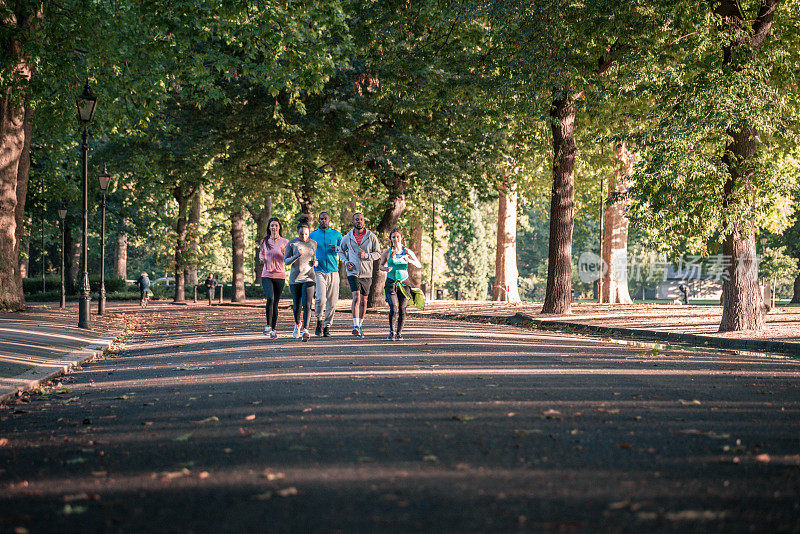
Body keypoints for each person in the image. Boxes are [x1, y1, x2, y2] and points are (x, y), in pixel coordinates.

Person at [338, 212, 382, 338]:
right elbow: (341, 250)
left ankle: (360, 325)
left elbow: (378, 253)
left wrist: (366, 256)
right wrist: (346, 262)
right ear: (353, 221)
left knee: (364, 300)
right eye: (357, 219)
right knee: (356, 297)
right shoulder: (348, 237)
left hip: (367, 272)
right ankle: (355, 326)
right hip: (353, 272)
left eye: (361, 219)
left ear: (364, 221)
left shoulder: (371, 236)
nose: (359, 221)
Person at [379, 228, 422, 340]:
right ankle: (391, 332)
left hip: (404, 284)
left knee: (402, 309)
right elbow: (380, 266)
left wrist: (410, 260)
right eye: (393, 237)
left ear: (401, 238)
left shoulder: (407, 251)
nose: (396, 239)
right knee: (394, 308)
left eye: (398, 237)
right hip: (391, 283)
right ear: (391, 239)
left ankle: (399, 333)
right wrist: (385, 268)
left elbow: (419, 265)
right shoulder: (387, 252)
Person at [285, 217, 318, 342]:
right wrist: (297, 255)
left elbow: (315, 258)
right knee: (297, 306)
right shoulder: (292, 243)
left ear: (309, 233)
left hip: (309, 277)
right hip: (295, 279)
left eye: (306, 234)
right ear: (297, 233)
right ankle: (297, 324)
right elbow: (286, 261)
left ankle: (306, 330)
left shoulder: (313, 243)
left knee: (307, 305)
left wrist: (316, 262)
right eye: (301, 234)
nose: (303, 237)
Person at [309, 212, 342, 337]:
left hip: (333, 271)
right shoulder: (312, 235)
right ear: (318, 220)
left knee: (332, 301)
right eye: (321, 219)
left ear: (329, 220)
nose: (323, 221)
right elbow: (308, 251)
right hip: (319, 271)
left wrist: (337, 249)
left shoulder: (336, 234)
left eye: (325, 219)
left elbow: (345, 249)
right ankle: (319, 320)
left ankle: (327, 325)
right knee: (320, 298)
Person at [259, 217, 289, 338]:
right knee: (270, 299)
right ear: (269, 227)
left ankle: (274, 329)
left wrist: (283, 252)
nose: (274, 228)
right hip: (266, 274)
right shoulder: (264, 241)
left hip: (279, 275)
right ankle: (268, 325)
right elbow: (261, 253)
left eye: (276, 225)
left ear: (279, 227)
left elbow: (288, 259)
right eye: (272, 225)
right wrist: (261, 258)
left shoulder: (285, 242)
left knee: (275, 303)